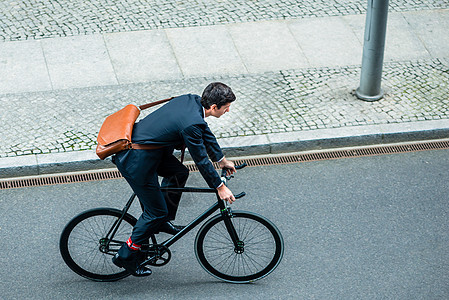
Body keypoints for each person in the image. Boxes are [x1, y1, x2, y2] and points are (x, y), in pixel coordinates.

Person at [112, 82, 237, 276]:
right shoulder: (191, 124)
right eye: (227, 107)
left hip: (150, 152)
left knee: (179, 173)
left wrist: (222, 160)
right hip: (136, 162)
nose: (228, 110)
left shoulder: (193, 101)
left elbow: (206, 134)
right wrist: (219, 186)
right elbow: (201, 160)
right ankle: (126, 255)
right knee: (154, 212)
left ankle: (161, 221)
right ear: (214, 107)